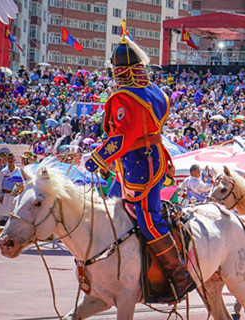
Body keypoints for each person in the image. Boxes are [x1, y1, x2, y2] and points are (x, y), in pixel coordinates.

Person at [83, 33, 195, 303]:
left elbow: (122, 137)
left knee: (148, 218)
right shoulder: (154, 90)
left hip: (139, 163)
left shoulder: (125, 97)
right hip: (147, 158)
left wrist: (97, 158)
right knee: (117, 209)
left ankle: (178, 274)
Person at [0, 153, 20, 225]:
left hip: (14, 195)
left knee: (12, 212)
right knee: (2, 213)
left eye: (11, 158)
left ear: (14, 159)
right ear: (6, 160)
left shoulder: (18, 170)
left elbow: (20, 183)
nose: (10, 160)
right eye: (8, 159)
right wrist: (0, 194)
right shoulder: (3, 171)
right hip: (5, 195)